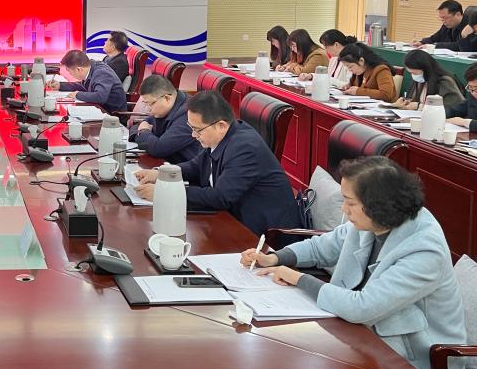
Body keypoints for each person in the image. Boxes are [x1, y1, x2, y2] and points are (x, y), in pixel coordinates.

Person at [242, 156, 466, 369]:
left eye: (350, 203)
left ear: (377, 206)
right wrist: (275, 258)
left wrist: (298, 278)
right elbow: (322, 246)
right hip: (357, 336)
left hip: (412, 362)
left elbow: (362, 307)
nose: (344, 209)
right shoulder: (374, 220)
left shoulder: (425, 250)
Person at [134, 90, 303, 237]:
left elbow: (220, 197)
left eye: (197, 130)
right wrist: (161, 173)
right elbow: (196, 166)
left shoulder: (244, 147)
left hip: (265, 236)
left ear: (221, 125)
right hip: (234, 220)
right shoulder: (221, 135)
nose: (193, 135)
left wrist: (166, 192)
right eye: (191, 128)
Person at [128, 75, 200, 163]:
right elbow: (135, 127)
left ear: (167, 98)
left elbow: (158, 149)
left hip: (184, 168)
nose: (148, 109)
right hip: (166, 163)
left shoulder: (189, 115)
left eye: (151, 104)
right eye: (145, 103)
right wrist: (144, 134)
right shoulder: (163, 109)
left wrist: (143, 131)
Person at [47, 49, 128, 113]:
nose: (69, 74)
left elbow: (100, 97)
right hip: (100, 110)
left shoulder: (101, 73)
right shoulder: (91, 67)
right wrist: (60, 85)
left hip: (112, 115)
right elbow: (82, 85)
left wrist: (77, 94)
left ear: (79, 69)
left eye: (69, 71)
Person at [390, 49, 464, 110]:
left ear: (426, 69)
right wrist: (404, 102)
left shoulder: (444, 82)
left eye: (415, 73)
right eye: (411, 73)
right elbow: (412, 100)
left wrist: (420, 106)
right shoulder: (418, 80)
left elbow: (454, 108)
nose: (413, 76)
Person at [447, 62, 477, 132]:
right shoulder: (473, 95)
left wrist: (464, 122)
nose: (474, 93)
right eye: (471, 88)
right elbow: (454, 110)